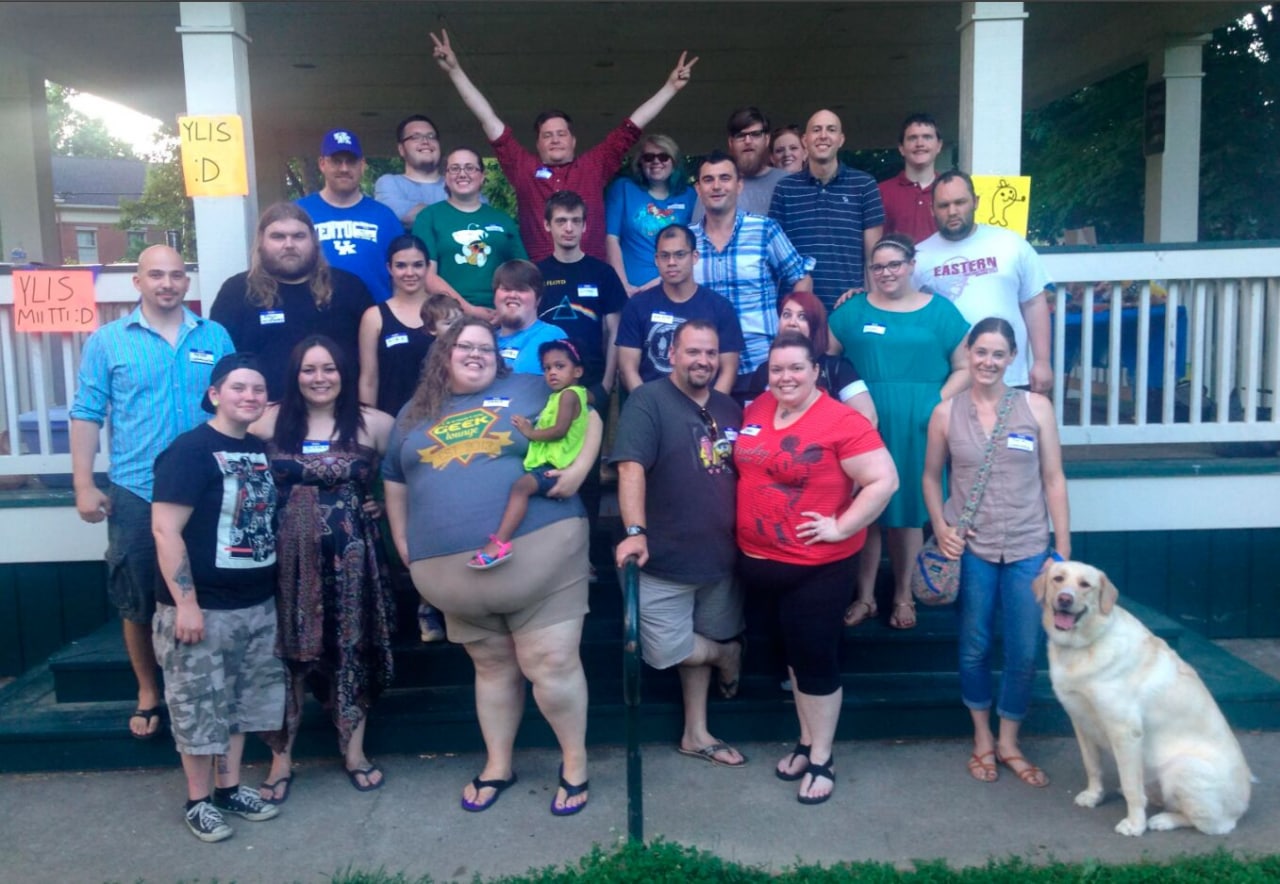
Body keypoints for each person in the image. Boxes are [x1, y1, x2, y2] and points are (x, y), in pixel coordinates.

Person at [382, 317, 603, 815]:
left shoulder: (531, 387)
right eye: (465, 345)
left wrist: (580, 468)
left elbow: (589, 413)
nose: (476, 354)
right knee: (492, 668)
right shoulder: (414, 412)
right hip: (454, 578)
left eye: (486, 347)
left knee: (550, 663)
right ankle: (498, 764)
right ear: (444, 353)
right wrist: (401, 536)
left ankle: (575, 764)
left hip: (542, 555)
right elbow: (393, 475)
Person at [69, 245, 235, 740]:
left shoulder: (214, 336)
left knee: (211, 591)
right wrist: (83, 483)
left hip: (207, 487)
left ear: (187, 282)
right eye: (156, 275)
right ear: (137, 282)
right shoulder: (108, 341)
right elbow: (87, 412)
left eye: (177, 275)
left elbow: (236, 401)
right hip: (137, 487)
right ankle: (148, 690)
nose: (167, 283)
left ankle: (216, 687)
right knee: (138, 595)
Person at [735, 331, 898, 803]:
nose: (785, 377)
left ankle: (823, 758)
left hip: (817, 568)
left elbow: (884, 480)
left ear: (815, 371)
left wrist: (842, 526)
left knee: (816, 662)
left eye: (795, 368)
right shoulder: (758, 408)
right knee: (793, 659)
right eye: (776, 369)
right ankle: (806, 743)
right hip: (762, 564)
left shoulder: (841, 421)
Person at [922, 316, 1070, 788]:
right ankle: (982, 737)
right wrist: (941, 526)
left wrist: (1061, 553)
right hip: (973, 548)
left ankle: (1009, 741)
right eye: (981, 352)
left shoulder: (1036, 408)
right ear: (968, 354)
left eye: (998, 354)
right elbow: (930, 477)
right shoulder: (945, 413)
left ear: (1012, 358)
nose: (988, 361)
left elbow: (1054, 480)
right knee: (975, 645)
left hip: (1029, 546)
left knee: (1024, 649)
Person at [251, 336, 396, 798]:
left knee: (352, 648)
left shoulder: (377, 423)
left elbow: (408, 478)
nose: (320, 378)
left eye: (329, 368)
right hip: (284, 563)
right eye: (309, 369)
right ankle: (280, 760)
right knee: (284, 655)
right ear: (294, 376)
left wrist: (383, 505)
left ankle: (354, 752)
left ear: (344, 373)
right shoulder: (265, 421)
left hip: (353, 561)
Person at [150, 353, 284, 842]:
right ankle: (198, 801)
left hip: (255, 602)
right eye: (238, 387)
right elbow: (165, 529)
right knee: (197, 708)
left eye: (257, 389)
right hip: (202, 607)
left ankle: (228, 789)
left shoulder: (260, 449)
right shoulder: (190, 450)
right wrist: (186, 604)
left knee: (240, 705)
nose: (249, 396)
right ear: (214, 394)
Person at [430, 28, 697, 261]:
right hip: (540, 277)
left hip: (590, 274)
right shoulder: (524, 169)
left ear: (573, 140)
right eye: (547, 135)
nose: (555, 139)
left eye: (561, 133)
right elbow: (488, 120)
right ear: (538, 144)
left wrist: (670, 88)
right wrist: (455, 71)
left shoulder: (594, 166)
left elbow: (632, 127)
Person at [612, 320, 747, 769]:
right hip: (662, 559)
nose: (702, 361)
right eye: (693, 351)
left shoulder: (729, 408)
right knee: (664, 649)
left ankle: (696, 732)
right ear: (672, 354)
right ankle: (728, 655)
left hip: (721, 557)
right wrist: (635, 531)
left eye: (710, 353)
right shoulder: (648, 400)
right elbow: (630, 467)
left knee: (703, 635)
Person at [830, 234, 970, 630]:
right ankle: (866, 597)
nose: (886, 272)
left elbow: (964, 366)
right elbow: (827, 361)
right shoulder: (852, 311)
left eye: (894, 264)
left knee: (907, 511)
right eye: (877, 266)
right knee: (865, 508)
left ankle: (904, 595)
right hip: (863, 423)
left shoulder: (941, 311)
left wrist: (936, 403)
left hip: (919, 423)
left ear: (911, 265)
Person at [210, 202, 374, 401]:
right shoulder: (236, 292)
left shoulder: (348, 287)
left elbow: (372, 362)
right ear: (261, 242)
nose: (289, 244)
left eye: (298, 236)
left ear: (314, 240)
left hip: (339, 413)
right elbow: (221, 365)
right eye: (278, 236)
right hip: (262, 415)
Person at [913, 169, 1053, 393]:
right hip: (950, 382)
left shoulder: (1011, 244)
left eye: (960, 202)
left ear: (976, 202)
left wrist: (1042, 361)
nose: (952, 211)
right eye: (944, 205)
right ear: (932, 210)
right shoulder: (919, 258)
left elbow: (1034, 303)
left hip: (1009, 376)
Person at [691, 151, 811, 400]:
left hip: (762, 363)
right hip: (705, 366)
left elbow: (801, 278)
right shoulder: (687, 241)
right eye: (708, 179)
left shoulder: (764, 229)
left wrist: (791, 334)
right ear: (698, 189)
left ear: (739, 185)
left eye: (725, 178)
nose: (716, 186)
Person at [469, 339, 588, 570]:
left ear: (578, 371)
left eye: (560, 366)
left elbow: (559, 430)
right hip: (551, 465)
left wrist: (529, 431)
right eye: (547, 368)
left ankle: (500, 543)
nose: (552, 372)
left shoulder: (568, 396)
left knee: (520, 488)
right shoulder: (572, 394)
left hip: (553, 468)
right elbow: (589, 398)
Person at [768, 109, 885, 311]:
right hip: (798, 311)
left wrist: (871, 307)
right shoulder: (785, 189)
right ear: (805, 140)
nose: (823, 135)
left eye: (831, 129)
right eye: (816, 130)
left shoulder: (864, 185)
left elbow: (873, 258)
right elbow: (774, 259)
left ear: (841, 139)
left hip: (849, 308)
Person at [616, 224, 744, 394]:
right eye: (665, 256)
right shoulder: (637, 306)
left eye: (680, 255)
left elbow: (728, 371)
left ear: (695, 257)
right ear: (656, 260)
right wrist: (646, 405)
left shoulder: (720, 307)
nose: (671, 262)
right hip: (649, 403)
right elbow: (627, 369)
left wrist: (708, 407)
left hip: (703, 403)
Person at [535, 190, 626, 409]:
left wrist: (605, 386)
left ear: (584, 226)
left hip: (592, 383)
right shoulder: (536, 274)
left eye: (576, 221)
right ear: (547, 225)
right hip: (543, 382)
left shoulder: (603, 273)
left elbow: (616, 332)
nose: (569, 228)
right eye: (561, 221)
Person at [413, 147, 527, 317]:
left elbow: (522, 272)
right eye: (454, 168)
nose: (462, 174)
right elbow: (427, 276)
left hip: (501, 315)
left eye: (470, 168)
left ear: (482, 176)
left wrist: (505, 311)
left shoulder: (502, 219)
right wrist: (468, 309)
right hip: (449, 315)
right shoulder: (429, 217)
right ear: (446, 177)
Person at [297, 128, 403, 304]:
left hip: (375, 313)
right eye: (336, 161)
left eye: (351, 161)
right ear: (322, 164)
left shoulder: (384, 216)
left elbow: (403, 272)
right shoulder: (299, 212)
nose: (344, 168)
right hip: (314, 312)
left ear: (362, 165)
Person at [747, 290, 877, 426]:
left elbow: (868, 417)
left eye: (802, 317)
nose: (792, 322)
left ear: (815, 325)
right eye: (786, 315)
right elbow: (752, 420)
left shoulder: (837, 368)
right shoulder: (764, 370)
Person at [358, 235, 439, 412]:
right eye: (401, 266)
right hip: (391, 418)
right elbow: (369, 380)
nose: (410, 273)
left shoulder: (446, 312)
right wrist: (369, 422)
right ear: (389, 268)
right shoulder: (374, 317)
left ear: (428, 267)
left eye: (417, 265)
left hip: (441, 419)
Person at [604, 134, 695, 293]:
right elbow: (611, 238)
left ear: (674, 162)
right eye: (648, 157)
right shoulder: (623, 188)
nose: (656, 162)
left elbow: (696, 245)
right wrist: (622, 285)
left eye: (663, 157)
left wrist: (659, 282)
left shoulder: (689, 195)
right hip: (630, 289)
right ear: (640, 162)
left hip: (673, 286)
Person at [691, 106, 789, 222]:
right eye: (740, 136)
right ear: (731, 142)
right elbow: (698, 230)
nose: (748, 141)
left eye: (755, 134)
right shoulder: (714, 187)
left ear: (767, 139)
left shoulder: (787, 182)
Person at [879, 113, 945, 244]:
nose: (920, 143)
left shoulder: (949, 191)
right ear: (901, 148)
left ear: (939, 145)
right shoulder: (880, 192)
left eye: (927, 137)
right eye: (912, 138)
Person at [492, 260, 566, 374]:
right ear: (494, 297)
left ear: (538, 300)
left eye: (521, 289)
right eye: (506, 289)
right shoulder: (485, 340)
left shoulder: (552, 337)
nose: (513, 295)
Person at [374, 114, 448, 228]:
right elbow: (403, 216)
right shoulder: (390, 182)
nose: (425, 141)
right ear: (401, 149)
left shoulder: (456, 183)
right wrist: (458, 214)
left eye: (431, 136)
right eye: (415, 137)